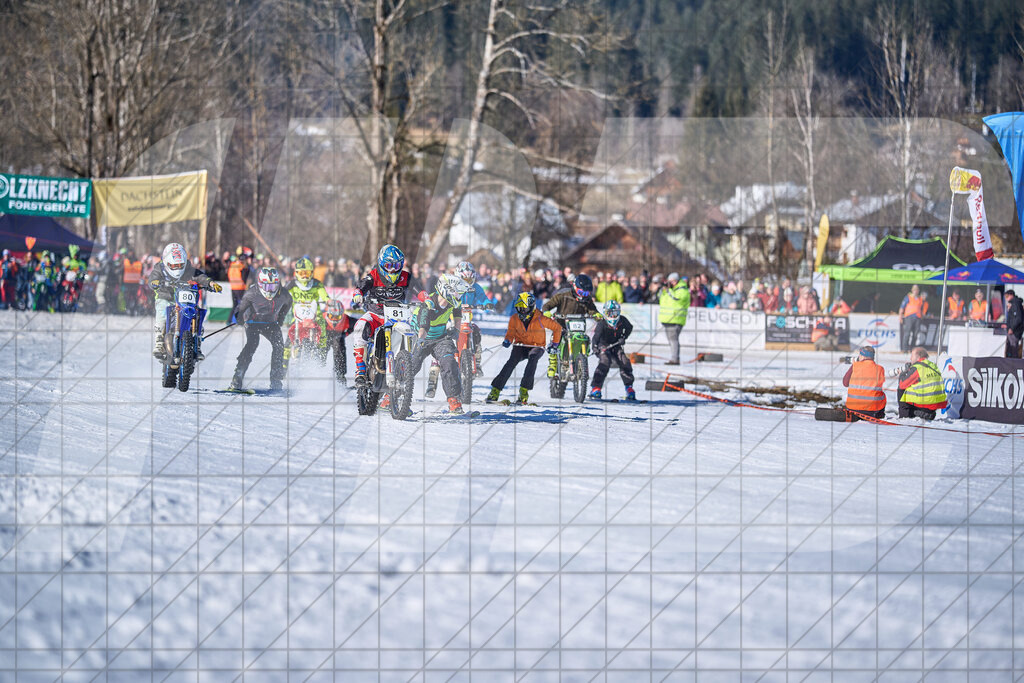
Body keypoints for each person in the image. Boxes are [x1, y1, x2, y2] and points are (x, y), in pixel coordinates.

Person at [147, 243, 221, 361]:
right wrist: (155, 282)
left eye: (180, 265)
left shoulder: (188, 269)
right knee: (161, 311)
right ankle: (159, 342)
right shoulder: (159, 268)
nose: (177, 268)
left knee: (197, 313)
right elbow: (153, 278)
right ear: (167, 263)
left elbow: (199, 276)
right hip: (166, 296)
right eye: (174, 265)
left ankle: (196, 343)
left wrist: (210, 283)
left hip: (184, 297)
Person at [487, 291, 562, 404]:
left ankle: (523, 391)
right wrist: (508, 340)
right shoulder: (514, 318)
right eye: (519, 308)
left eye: (525, 309)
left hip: (537, 346)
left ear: (531, 307)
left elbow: (557, 328)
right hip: (521, 345)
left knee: (532, 360)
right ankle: (495, 390)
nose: (522, 312)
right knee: (511, 362)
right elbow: (511, 333)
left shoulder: (541, 318)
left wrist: (555, 344)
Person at [351, 244, 410, 385]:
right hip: (375, 315)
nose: (393, 269)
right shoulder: (374, 275)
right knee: (360, 326)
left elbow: (419, 289)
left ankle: (404, 370)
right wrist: (358, 293)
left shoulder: (406, 277)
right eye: (389, 265)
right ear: (382, 264)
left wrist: (426, 298)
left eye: (396, 265)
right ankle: (360, 368)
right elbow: (362, 285)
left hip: (398, 318)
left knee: (411, 335)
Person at [412, 274, 470, 414]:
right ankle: (390, 396)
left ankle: (453, 400)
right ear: (446, 290)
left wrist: (456, 330)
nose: (459, 297)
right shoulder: (429, 303)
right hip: (421, 335)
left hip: (440, 337)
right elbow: (423, 325)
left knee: (449, 362)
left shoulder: (453, 302)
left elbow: (457, 314)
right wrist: (420, 340)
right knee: (412, 365)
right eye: (457, 293)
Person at [228, 267, 292, 392]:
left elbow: (288, 303)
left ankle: (276, 381)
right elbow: (240, 308)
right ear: (260, 283)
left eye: (273, 286)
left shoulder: (284, 294)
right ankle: (237, 377)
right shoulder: (252, 293)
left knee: (279, 346)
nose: (270, 290)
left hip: (271, 323)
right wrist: (239, 317)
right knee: (252, 344)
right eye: (267, 286)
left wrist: (281, 317)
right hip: (253, 322)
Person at [541, 273, 602, 376]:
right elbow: (547, 305)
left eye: (586, 293)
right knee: (555, 339)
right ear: (574, 287)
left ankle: (581, 360)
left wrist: (596, 315)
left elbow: (592, 310)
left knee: (585, 338)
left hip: (578, 327)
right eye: (581, 292)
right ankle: (553, 364)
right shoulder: (563, 296)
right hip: (562, 325)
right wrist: (546, 312)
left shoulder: (587, 300)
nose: (583, 296)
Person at [590, 300, 636, 400]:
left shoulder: (622, 320)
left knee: (625, 361)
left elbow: (630, 328)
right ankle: (596, 388)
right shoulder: (602, 323)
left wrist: (623, 337)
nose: (612, 316)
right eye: (609, 313)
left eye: (615, 313)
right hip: (603, 346)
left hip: (616, 345)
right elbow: (596, 337)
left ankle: (629, 388)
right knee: (605, 362)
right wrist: (594, 347)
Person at [285, 256, 329, 360]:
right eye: (302, 273)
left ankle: (322, 350)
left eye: (307, 273)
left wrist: (329, 301)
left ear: (312, 273)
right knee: (288, 337)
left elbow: (324, 295)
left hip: (314, 315)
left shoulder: (317, 284)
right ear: (296, 273)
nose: (304, 276)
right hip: (297, 316)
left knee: (322, 325)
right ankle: (283, 362)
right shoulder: (292, 284)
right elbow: (284, 294)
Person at [895, 347, 947, 420]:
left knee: (901, 389)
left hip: (924, 403)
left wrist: (902, 374)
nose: (910, 358)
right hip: (935, 404)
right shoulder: (933, 366)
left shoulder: (917, 368)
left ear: (918, 356)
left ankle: (904, 415)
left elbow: (902, 384)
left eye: (912, 355)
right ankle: (928, 413)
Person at [842, 347, 886, 420]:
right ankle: (880, 416)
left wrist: (854, 365)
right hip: (872, 409)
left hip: (853, 408)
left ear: (862, 356)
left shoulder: (855, 366)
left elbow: (845, 383)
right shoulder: (880, 369)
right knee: (882, 395)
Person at [657, 272, 690, 365]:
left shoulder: (683, 290)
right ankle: (674, 358)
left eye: (671, 282)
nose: (670, 283)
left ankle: (675, 359)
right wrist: (662, 290)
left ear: (676, 281)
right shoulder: (671, 289)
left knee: (673, 340)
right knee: (671, 340)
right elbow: (660, 298)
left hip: (676, 319)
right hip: (667, 319)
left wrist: (668, 290)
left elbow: (676, 298)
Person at [324, 299, 353, 385]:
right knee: (320, 352)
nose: (335, 319)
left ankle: (340, 377)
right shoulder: (321, 319)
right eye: (332, 317)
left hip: (338, 336)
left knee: (340, 352)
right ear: (327, 314)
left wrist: (346, 333)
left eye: (338, 317)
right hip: (325, 336)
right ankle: (316, 371)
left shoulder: (347, 319)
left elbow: (357, 325)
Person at [898, 284, 928, 351]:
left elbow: (922, 308)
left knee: (915, 334)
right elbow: (902, 307)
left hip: (917, 317)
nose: (916, 291)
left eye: (917, 290)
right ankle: (904, 349)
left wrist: (922, 316)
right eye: (914, 289)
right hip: (909, 317)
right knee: (907, 333)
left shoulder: (920, 299)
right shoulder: (908, 297)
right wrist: (900, 316)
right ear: (912, 290)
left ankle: (912, 348)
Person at [1004, 289, 1023, 358]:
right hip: (1014, 331)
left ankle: (1014, 365)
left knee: (1014, 350)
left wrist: (1012, 328)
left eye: (1007, 296)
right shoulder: (1013, 304)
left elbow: (1018, 318)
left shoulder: (1016, 304)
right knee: (1011, 349)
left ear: (1011, 295)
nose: (1006, 298)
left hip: (1015, 332)